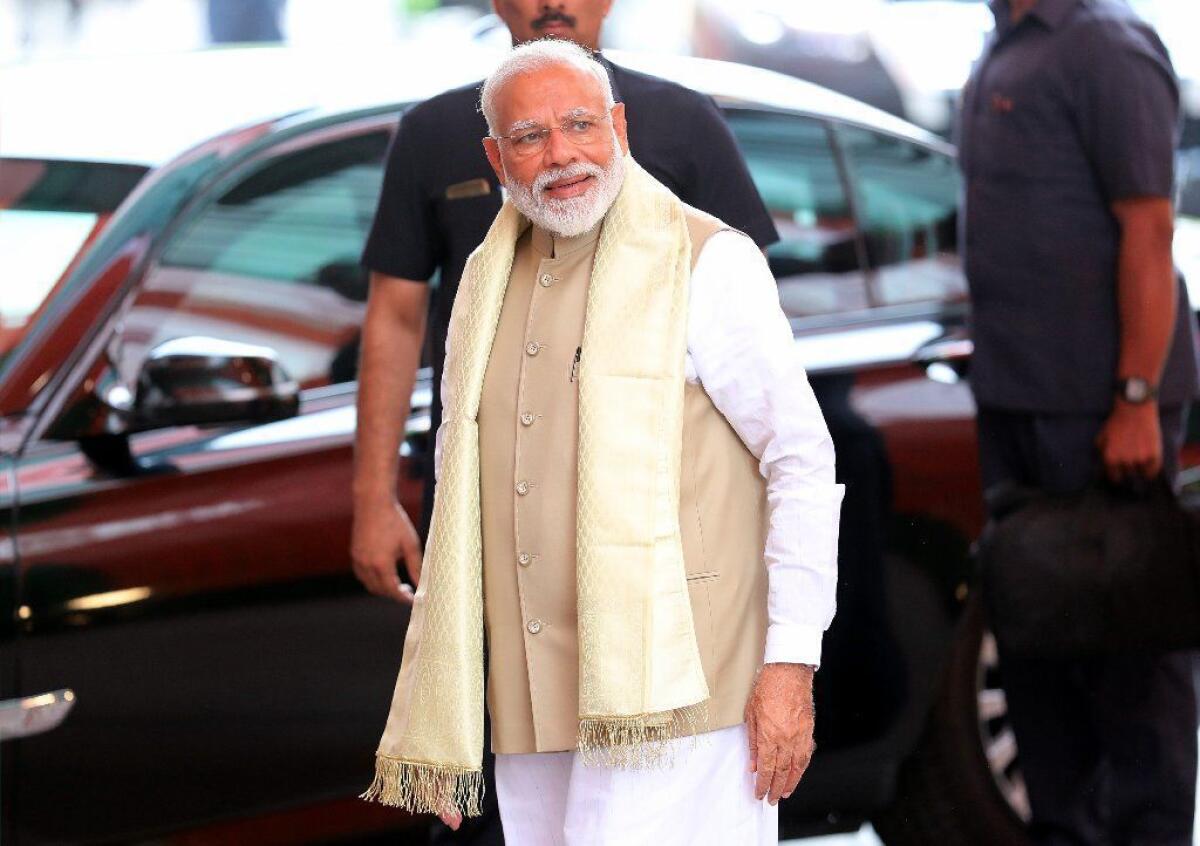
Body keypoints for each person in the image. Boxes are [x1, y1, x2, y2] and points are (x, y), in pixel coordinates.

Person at [360, 39, 842, 845]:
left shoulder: (707, 259)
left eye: (581, 124)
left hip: (685, 692)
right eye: (531, 137)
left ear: (619, 125)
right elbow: (470, 498)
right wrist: (454, 697)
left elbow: (801, 461)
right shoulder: (485, 280)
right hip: (535, 703)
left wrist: (791, 665)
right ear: (495, 156)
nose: (563, 155)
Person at [959, 1, 1200, 843]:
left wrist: (1135, 398)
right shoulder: (1001, 45)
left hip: (1099, 412)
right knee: (1038, 651)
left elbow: (1150, 227)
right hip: (1015, 404)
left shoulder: (1104, 44)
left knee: (1130, 661)